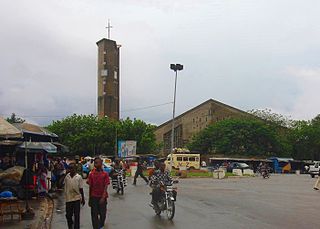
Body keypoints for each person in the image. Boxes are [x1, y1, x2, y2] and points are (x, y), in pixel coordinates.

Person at [87, 157, 110, 229]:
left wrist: (103, 197)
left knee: (103, 215)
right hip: (94, 197)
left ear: (101, 163)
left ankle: (101, 225)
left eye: (97, 162)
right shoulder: (91, 174)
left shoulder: (105, 174)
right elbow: (90, 187)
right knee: (94, 215)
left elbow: (106, 186)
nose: (96, 164)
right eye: (95, 163)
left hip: (102, 197)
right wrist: (90, 198)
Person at [64, 163, 85, 229]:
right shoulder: (67, 176)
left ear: (75, 169)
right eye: (70, 168)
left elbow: (81, 188)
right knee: (68, 215)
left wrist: (83, 198)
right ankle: (70, 226)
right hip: (68, 198)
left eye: (72, 168)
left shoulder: (78, 177)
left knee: (76, 215)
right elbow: (62, 184)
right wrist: (64, 174)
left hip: (76, 198)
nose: (71, 170)